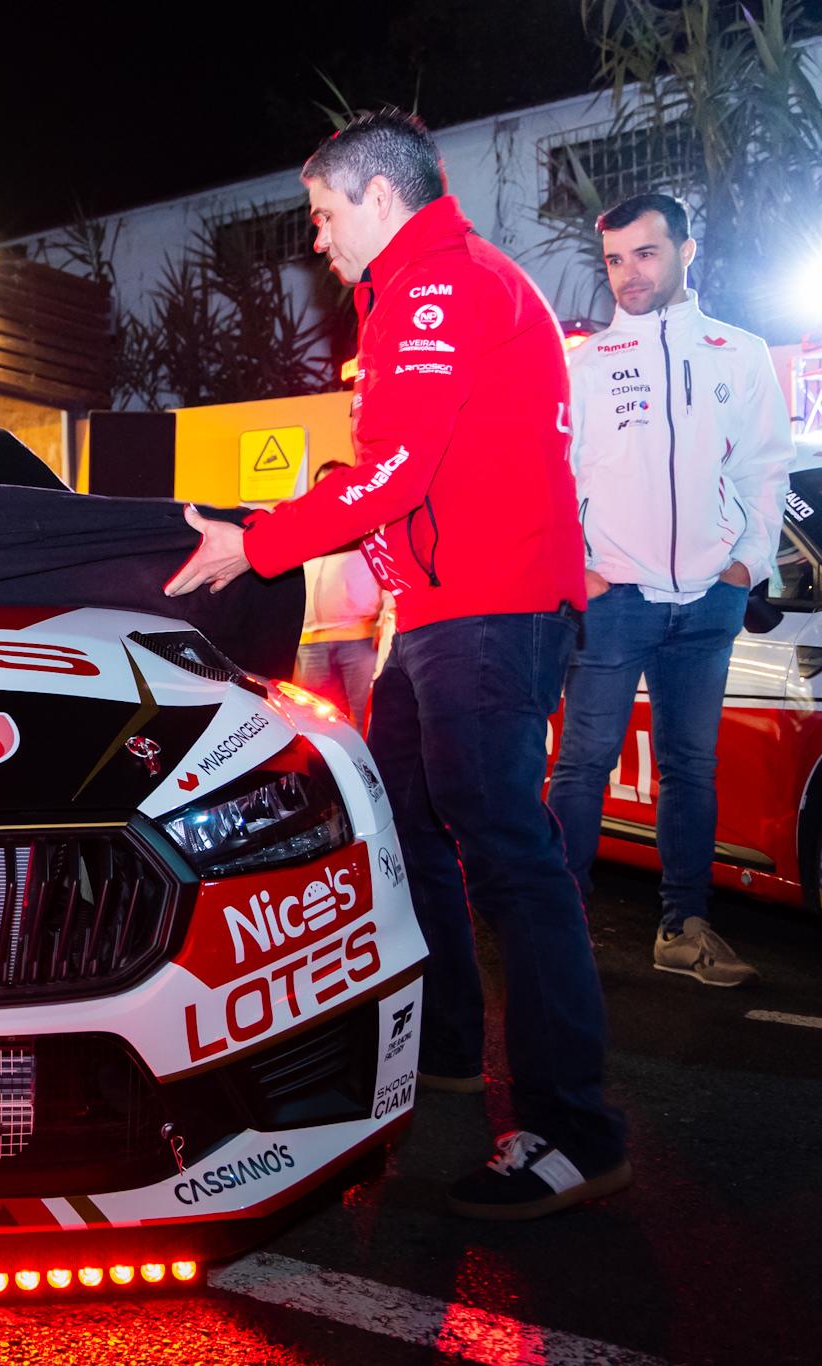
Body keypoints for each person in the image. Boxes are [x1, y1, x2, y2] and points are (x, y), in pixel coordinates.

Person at [165, 110, 629, 1220]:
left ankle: (575, 1127)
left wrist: (255, 541)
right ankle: (455, 1047)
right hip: (434, 616)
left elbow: (391, 477)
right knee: (407, 825)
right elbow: (401, 480)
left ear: (377, 198)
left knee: (511, 856)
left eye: (322, 215)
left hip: (488, 609)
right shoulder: (412, 293)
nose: (316, 241)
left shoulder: (441, 285)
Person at [548, 193, 792, 988]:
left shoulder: (739, 351)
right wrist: (581, 569)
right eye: (615, 260)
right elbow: (553, 481)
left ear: (690, 251)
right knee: (581, 768)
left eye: (645, 254)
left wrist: (743, 569)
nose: (628, 275)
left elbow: (763, 471)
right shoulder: (585, 366)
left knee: (692, 768)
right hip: (616, 599)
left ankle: (684, 928)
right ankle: (562, 925)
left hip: (709, 603)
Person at [295, 459, 388, 727]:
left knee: (365, 722)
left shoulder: (370, 523)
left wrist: (382, 622)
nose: (330, 490)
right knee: (314, 724)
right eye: (323, 485)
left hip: (360, 640)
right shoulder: (303, 530)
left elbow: (388, 572)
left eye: (337, 482)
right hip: (310, 644)